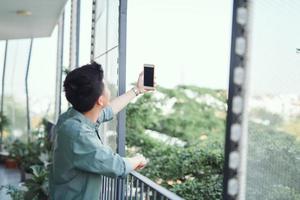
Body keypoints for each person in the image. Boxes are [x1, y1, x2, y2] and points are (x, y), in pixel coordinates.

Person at [49, 62, 154, 200]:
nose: (108, 88)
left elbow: (109, 110)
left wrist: (137, 90)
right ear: (100, 100)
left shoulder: (73, 117)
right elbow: (117, 166)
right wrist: (138, 159)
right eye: (105, 86)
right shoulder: (77, 132)